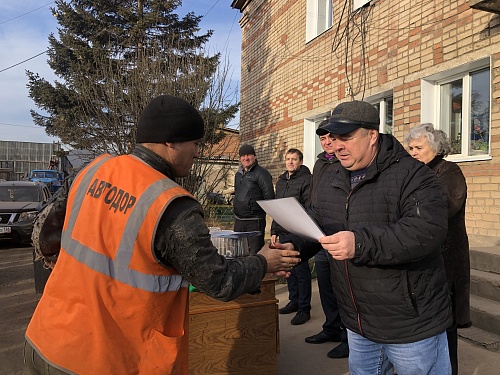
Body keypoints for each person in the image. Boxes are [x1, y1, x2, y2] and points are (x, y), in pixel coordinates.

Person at [23, 95, 300, 375]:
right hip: (104, 359)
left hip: (46, 337)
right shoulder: (171, 204)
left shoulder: (93, 170)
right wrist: (265, 262)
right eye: (194, 143)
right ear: (171, 141)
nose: (197, 152)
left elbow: (42, 235)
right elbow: (218, 281)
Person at [274, 100, 453, 374]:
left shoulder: (413, 174)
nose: (337, 145)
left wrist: (359, 243)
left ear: (372, 135)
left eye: (346, 137)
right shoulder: (334, 175)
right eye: (333, 138)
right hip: (357, 322)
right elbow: (317, 222)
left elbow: (426, 231)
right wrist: (293, 246)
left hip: (409, 324)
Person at [406, 123, 471, 375]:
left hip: (447, 257)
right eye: (410, 147)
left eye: (418, 147)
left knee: (446, 322)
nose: (413, 152)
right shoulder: (417, 173)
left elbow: (443, 210)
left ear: (435, 147)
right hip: (424, 255)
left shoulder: (448, 171)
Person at [303, 120, 349, 359]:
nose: (328, 142)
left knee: (343, 289)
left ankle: (347, 337)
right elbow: (314, 197)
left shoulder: (346, 161)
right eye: (323, 139)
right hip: (320, 234)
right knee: (326, 287)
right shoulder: (320, 162)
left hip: (340, 234)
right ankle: (331, 327)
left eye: (331, 137)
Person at [271, 148, 313, 325]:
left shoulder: (306, 180)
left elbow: (308, 207)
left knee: (301, 270)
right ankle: (294, 300)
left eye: (294, 159)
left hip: (298, 232)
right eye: (288, 159)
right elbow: (277, 207)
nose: (290, 162)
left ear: (300, 161)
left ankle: (304, 308)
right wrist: (274, 230)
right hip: (283, 230)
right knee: (289, 270)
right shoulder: (281, 181)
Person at [233, 144, 275, 254]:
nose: (246, 158)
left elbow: (269, 197)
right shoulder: (238, 174)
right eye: (243, 156)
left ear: (254, 156)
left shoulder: (262, 173)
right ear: (240, 158)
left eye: (249, 155)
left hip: (254, 222)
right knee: (238, 253)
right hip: (239, 220)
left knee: (254, 254)